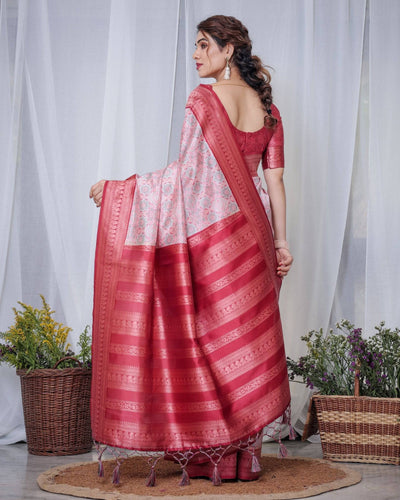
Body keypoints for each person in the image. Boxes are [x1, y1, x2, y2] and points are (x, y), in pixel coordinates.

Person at [89, 15, 293, 486]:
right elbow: (275, 181)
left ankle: (212, 458)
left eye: (204, 46)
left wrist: (124, 191)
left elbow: (187, 178)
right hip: (255, 238)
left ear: (228, 51)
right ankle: (244, 460)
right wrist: (281, 242)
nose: (197, 55)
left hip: (216, 237)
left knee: (209, 344)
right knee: (243, 342)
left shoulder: (203, 101)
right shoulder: (269, 110)